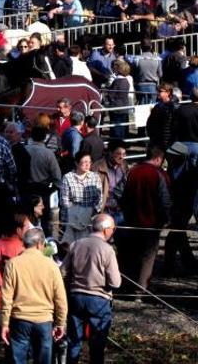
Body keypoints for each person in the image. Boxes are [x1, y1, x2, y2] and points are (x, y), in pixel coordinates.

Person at [0, 228, 68, 364]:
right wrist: (61, 323)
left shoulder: (12, 264)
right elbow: (60, 298)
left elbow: (6, 297)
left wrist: (4, 323)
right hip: (44, 321)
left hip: (19, 319)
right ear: (39, 244)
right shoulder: (52, 266)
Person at [61, 214, 121, 364]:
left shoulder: (76, 244)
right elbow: (115, 282)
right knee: (97, 345)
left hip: (76, 298)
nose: (114, 231)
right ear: (106, 230)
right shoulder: (107, 250)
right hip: (99, 301)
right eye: (113, 228)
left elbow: (62, 272)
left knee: (74, 341)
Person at [118, 145, 171, 293]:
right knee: (148, 256)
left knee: (132, 253)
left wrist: (125, 209)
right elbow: (165, 200)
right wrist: (166, 218)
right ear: (158, 159)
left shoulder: (132, 171)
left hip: (131, 220)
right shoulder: (159, 174)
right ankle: (140, 289)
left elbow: (118, 192)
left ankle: (127, 285)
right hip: (152, 222)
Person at [0, 213, 30, 363]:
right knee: (13, 348)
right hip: (12, 305)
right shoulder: (21, 250)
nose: (29, 230)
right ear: (18, 229)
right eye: (27, 227)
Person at [59, 151, 103, 244]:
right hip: (72, 219)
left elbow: (99, 200)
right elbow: (64, 201)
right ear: (76, 163)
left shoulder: (95, 177)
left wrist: (90, 213)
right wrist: (78, 214)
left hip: (90, 219)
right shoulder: (68, 177)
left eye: (89, 162)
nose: (88, 165)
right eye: (84, 162)